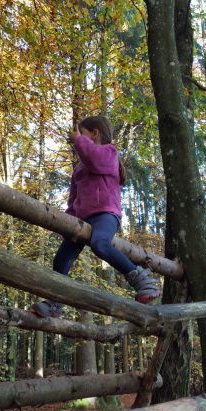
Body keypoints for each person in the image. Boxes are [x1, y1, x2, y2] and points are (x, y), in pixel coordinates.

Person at [31, 115, 161, 318]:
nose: (77, 139)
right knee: (61, 258)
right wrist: (66, 225)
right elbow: (73, 200)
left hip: (105, 214)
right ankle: (54, 302)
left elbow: (95, 160)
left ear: (95, 133)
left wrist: (78, 140)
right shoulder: (79, 168)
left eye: (82, 134)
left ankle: (142, 280)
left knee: (100, 244)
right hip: (82, 219)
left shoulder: (109, 153)